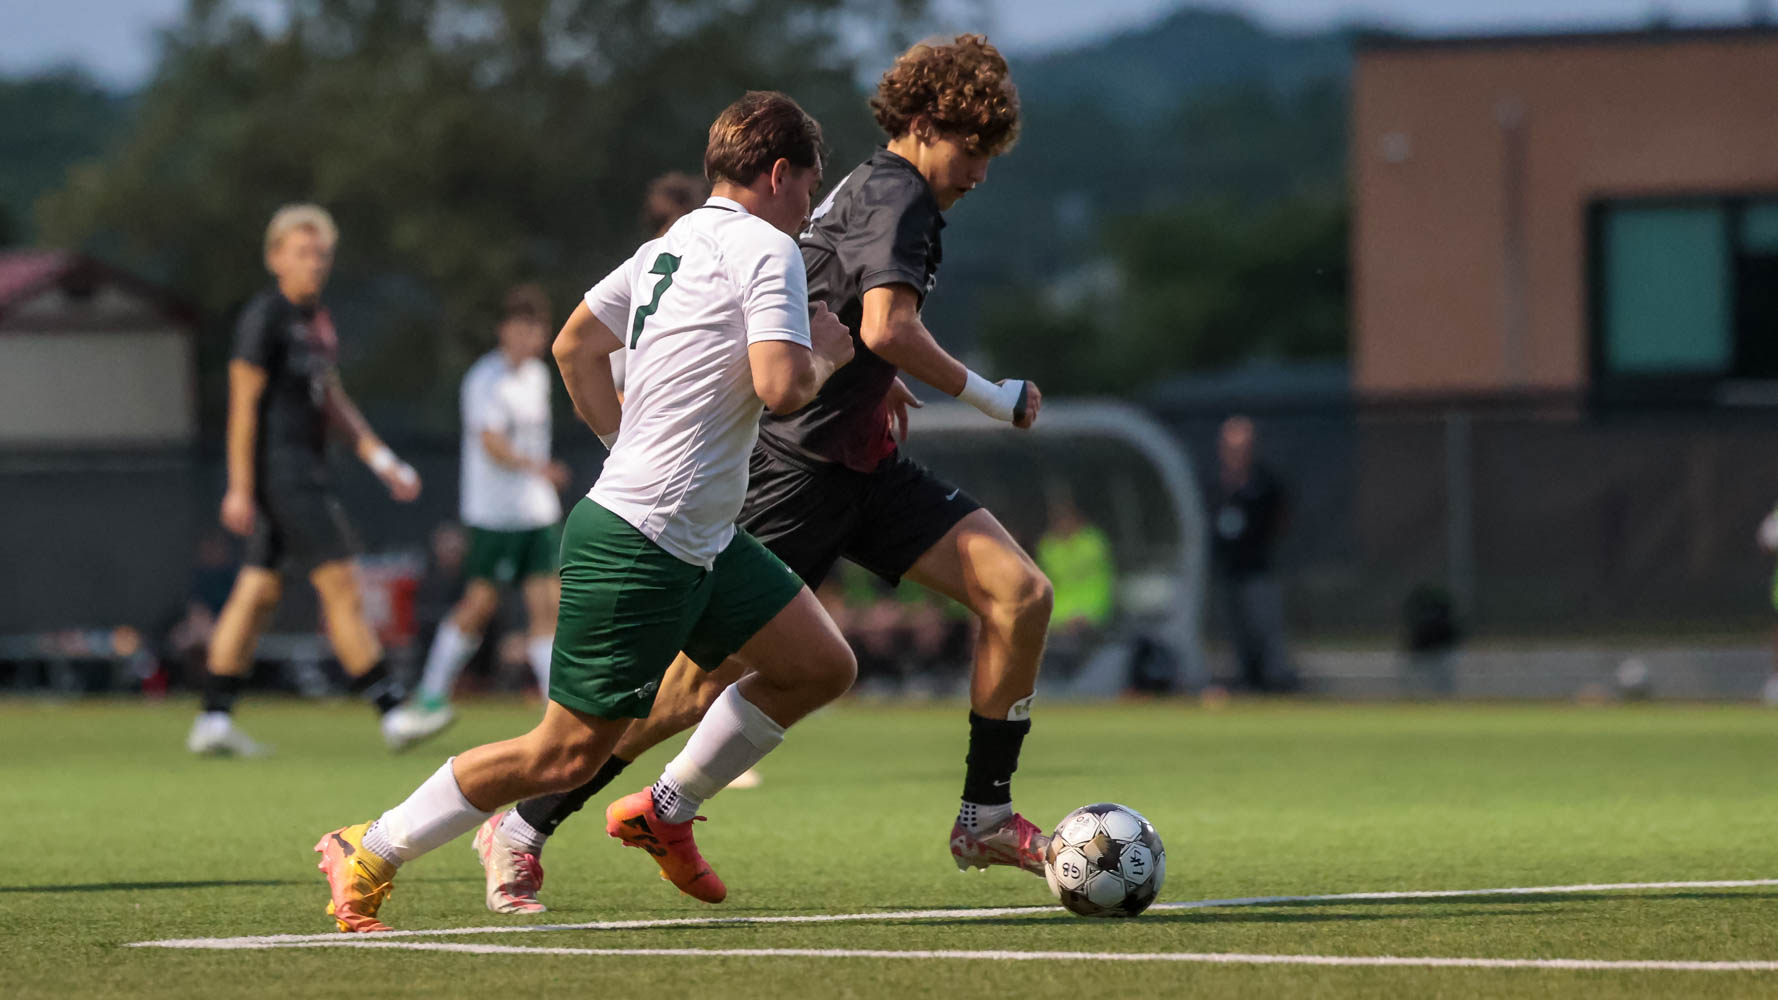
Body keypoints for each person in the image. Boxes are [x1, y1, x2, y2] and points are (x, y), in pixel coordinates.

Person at [476, 34, 1051, 915]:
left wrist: (875, 378)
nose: (978, 170)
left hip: (862, 461)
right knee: (684, 691)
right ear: (925, 124)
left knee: (1019, 594)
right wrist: (994, 396)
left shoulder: (866, 187)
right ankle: (522, 826)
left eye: (990, 153)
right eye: (971, 147)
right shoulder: (899, 193)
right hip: (795, 469)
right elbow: (885, 324)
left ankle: (985, 815)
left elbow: (828, 302)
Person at [313, 90, 857, 931]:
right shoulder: (766, 246)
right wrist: (826, 354)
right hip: (645, 539)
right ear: (780, 173)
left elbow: (574, 347)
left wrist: (620, 442)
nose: (810, 209)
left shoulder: (668, 245)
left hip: (698, 536)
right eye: (811, 188)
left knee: (819, 665)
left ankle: (666, 811)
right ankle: (371, 844)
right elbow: (783, 386)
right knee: (562, 753)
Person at [187, 204, 446, 756]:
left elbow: (332, 400)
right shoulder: (265, 316)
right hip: (285, 476)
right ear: (275, 257)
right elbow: (242, 406)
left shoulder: (316, 322)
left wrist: (382, 460)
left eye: (322, 254)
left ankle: (212, 718)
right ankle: (393, 712)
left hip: (303, 471)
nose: (315, 263)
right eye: (303, 252)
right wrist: (239, 487)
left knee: (256, 593)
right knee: (342, 584)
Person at [402, 285, 570, 737]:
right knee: (480, 604)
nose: (531, 338)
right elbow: (491, 443)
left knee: (548, 603)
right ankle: (430, 693)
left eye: (537, 329)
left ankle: (556, 709)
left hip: (537, 511)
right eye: (522, 328)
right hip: (494, 515)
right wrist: (538, 468)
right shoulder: (484, 379)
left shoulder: (538, 375)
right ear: (504, 330)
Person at [1210, 415, 1296, 693]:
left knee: (1265, 628)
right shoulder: (1216, 483)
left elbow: (1281, 519)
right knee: (1236, 631)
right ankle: (1245, 682)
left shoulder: (1265, 482)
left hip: (1258, 568)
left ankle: (1276, 683)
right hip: (1228, 569)